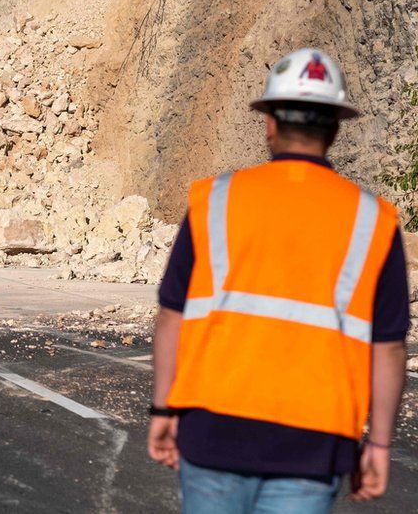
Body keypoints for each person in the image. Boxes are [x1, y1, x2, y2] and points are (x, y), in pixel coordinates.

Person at [148, 48, 408, 513]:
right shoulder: (375, 221)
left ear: (269, 122)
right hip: (314, 442)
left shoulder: (215, 200)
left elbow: (172, 316)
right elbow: (387, 346)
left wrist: (164, 409)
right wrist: (380, 445)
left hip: (214, 428)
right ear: (335, 126)